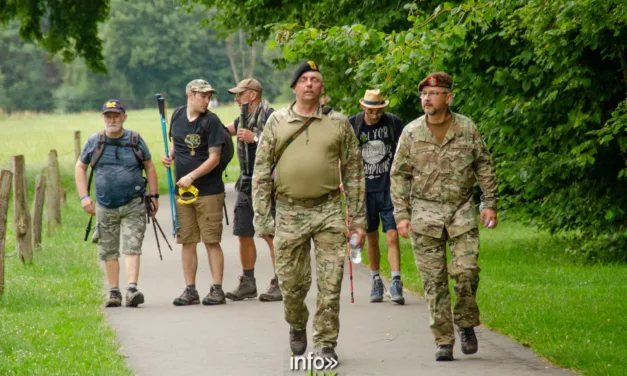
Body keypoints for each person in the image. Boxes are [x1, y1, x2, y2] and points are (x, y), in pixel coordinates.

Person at [252, 61, 366, 362]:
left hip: (328, 210)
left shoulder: (339, 123)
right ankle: (297, 323)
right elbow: (261, 171)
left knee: (331, 282)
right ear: (294, 87)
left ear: (322, 87)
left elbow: (354, 171)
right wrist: (262, 215)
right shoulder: (276, 122)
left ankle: (326, 343)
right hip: (289, 212)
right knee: (291, 284)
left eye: (315, 79)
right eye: (304, 79)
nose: (310, 84)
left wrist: (357, 219)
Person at [390, 72, 498, 361]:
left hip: (461, 212)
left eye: (433, 94)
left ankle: (464, 321)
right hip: (424, 214)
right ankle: (443, 340)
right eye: (424, 94)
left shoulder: (466, 128)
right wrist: (401, 214)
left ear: (448, 97)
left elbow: (484, 165)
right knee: (434, 282)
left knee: (466, 272)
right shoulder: (411, 132)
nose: (427, 98)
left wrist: (489, 203)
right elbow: (398, 175)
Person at [75, 99, 159, 308]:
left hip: (134, 202)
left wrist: (154, 196)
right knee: (108, 249)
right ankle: (114, 292)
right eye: (108, 116)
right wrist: (84, 197)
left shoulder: (135, 140)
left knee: (132, 246)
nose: (112, 120)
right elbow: (80, 167)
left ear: (124, 117)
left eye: (116, 116)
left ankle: (131, 289)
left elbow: (149, 166)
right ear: (103, 118)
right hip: (105, 204)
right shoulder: (94, 141)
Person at [161, 79, 228, 306]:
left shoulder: (212, 122)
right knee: (187, 241)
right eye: (203, 96)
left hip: (208, 191)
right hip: (183, 192)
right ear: (190, 95)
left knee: (211, 240)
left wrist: (192, 176)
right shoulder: (178, 115)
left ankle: (217, 289)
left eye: (209, 97)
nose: (207, 101)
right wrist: (169, 156)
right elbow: (178, 144)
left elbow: (215, 157)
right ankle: (190, 290)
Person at [224, 78, 282, 302]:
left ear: (253, 95)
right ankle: (248, 283)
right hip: (245, 183)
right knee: (243, 233)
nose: (236, 99)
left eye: (240, 94)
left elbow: (280, 145)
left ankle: (280, 282)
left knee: (270, 234)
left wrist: (255, 138)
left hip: (268, 185)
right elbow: (224, 130)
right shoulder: (243, 118)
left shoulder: (271, 117)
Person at [348, 89, 405, 305]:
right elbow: (343, 155)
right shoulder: (353, 124)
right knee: (371, 238)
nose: (375, 115)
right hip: (364, 191)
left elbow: (404, 151)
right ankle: (375, 280)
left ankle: (396, 280)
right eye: (371, 111)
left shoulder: (393, 123)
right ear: (363, 107)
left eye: (379, 111)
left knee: (392, 235)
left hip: (389, 188)